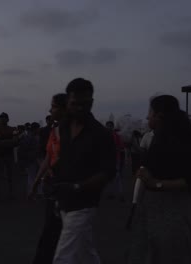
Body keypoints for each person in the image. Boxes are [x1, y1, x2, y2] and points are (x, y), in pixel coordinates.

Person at [128, 95, 191, 264]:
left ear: (160, 116)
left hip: (170, 213)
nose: (147, 117)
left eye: (150, 112)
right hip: (153, 211)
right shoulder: (158, 137)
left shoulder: (179, 142)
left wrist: (156, 183)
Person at [51, 78, 116, 264]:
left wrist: (78, 186)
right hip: (64, 201)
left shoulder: (101, 135)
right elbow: (60, 162)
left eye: (84, 103)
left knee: (63, 256)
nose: (79, 108)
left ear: (92, 103)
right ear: (68, 102)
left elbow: (108, 172)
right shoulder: (62, 128)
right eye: (74, 103)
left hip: (85, 203)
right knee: (85, 252)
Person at [30, 93, 68, 264]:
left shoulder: (72, 131)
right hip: (52, 187)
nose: (50, 110)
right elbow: (48, 157)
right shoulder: (54, 130)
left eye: (53, 107)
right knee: (52, 229)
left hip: (66, 188)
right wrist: (36, 182)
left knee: (60, 232)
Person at [0, 112, 18, 198]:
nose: (2, 119)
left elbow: (15, 142)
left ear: (7, 119)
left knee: (10, 176)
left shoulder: (13, 129)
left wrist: (2, 142)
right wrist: (10, 142)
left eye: (4, 118)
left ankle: (10, 193)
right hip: (0, 156)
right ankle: (0, 194)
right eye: (1, 118)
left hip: (8, 156)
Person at [106, 121, 125, 201]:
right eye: (107, 126)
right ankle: (111, 193)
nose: (108, 128)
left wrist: (115, 149)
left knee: (117, 178)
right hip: (108, 160)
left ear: (112, 127)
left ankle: (120, 194)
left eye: (110, 126)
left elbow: (121, 147)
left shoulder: (116, 136)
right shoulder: (105, 135)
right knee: (110, 177)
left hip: (115, 159)